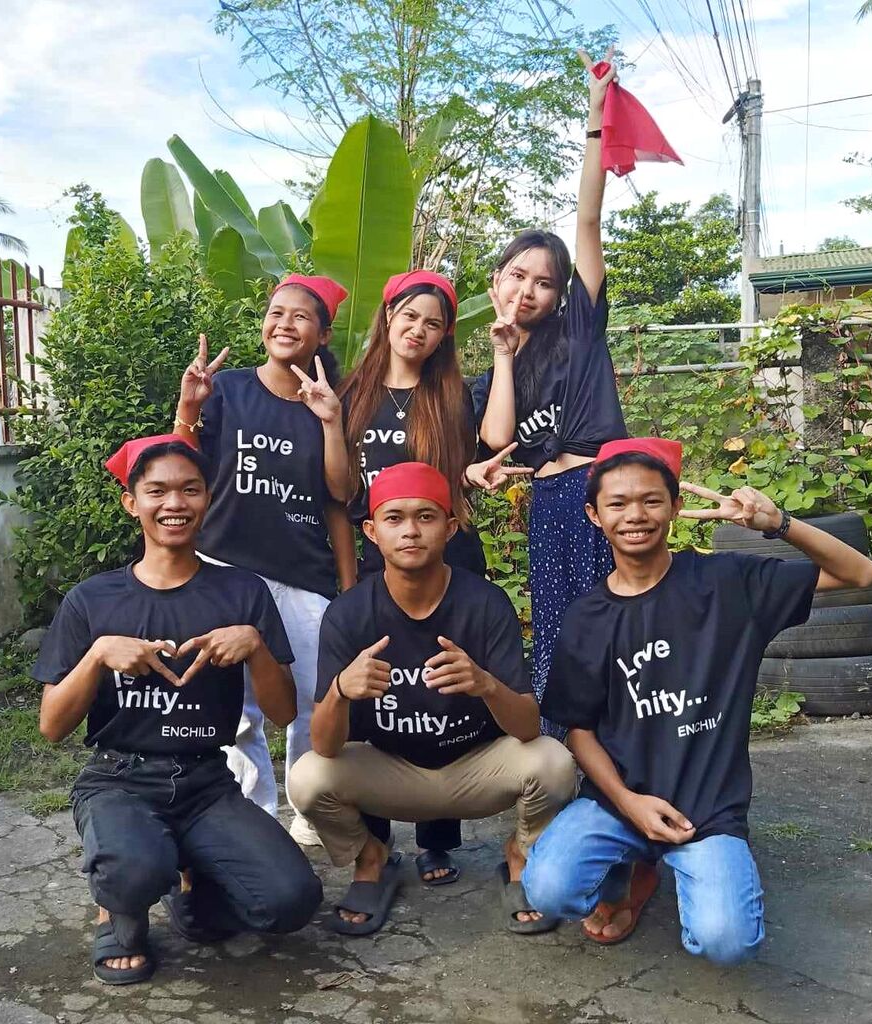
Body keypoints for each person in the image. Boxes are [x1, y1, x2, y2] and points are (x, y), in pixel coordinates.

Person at [522, 438, 872, 963]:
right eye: (618, 503)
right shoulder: (586, 617)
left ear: (674, 507)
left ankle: (669, 867)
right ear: (594, 515)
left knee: (726, 941)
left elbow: (860, 573)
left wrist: (779, 524)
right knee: (548, 890)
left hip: (706, 812)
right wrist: (628, 802)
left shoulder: (726, 583)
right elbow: (580, 730)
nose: (635, 515)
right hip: (617, 803)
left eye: (651, 500)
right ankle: (623, 872)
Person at [33, 435, 322, 986]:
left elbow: (284, 712)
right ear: (131, 502)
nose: (174, 503)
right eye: (157, 491)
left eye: (190, 490)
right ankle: (117, 909)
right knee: (133, 872)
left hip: (206, 783)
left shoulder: (242, 592)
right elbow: (52, 726)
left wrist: (256, 646)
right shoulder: (92, 599)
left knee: (290, 901)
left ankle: (188, 879)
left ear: (208, 498)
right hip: (119, 778)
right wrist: (97, 656)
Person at [287, 462, 577, 936]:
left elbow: (528, 727)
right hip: (391, 771)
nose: (410, 531)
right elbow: (324, 745)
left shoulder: (485, 603)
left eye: (425, 516)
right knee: (308, 777)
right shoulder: (349, 614)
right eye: (394, 518)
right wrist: (340, 690)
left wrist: (486, 684)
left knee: (554, 762)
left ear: (450, 526)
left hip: (475, 768)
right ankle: (370, 859)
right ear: (372, 532)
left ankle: (521, 855)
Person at [336, 269, 531, 885]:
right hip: (379, 560)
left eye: (434, 323)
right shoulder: (350, 395)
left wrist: (502, 355)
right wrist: (348, 575)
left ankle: (438, 840)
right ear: (388, 316)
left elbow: (492, 443)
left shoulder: (451, 395)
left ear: (446, 335)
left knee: (444, 686)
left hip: (451, 556)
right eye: (409, 316)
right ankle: (374, 837)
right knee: (375, 691)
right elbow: (338, 493)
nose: (418, 330)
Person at [472, 49, 629, 731]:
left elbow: (587, 221)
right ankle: (565, 757)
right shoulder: (495, 371)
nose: (528, 290)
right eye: (516, 275)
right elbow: (498, 440)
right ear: (496, 281)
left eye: (543, 281)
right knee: (560, 633)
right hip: (549, 503)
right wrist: (503, 355)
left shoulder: (581, 328)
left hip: (602, 486)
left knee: (620, 622)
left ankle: (632, 751)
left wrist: (595, 115)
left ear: (561, 291)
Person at [172, 274, 351, 844]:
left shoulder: (330, 401)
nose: (284, 324)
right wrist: (188, 405)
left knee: (312, 697)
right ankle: (251, 816)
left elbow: (341, 497)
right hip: (223, 568)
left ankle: (311, 809)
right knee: (234, 704)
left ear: (322, 334)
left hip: (303, 575)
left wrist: (331, 422)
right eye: (277, 312)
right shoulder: (227, 390)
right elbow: (180, 465)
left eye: (301, 316)